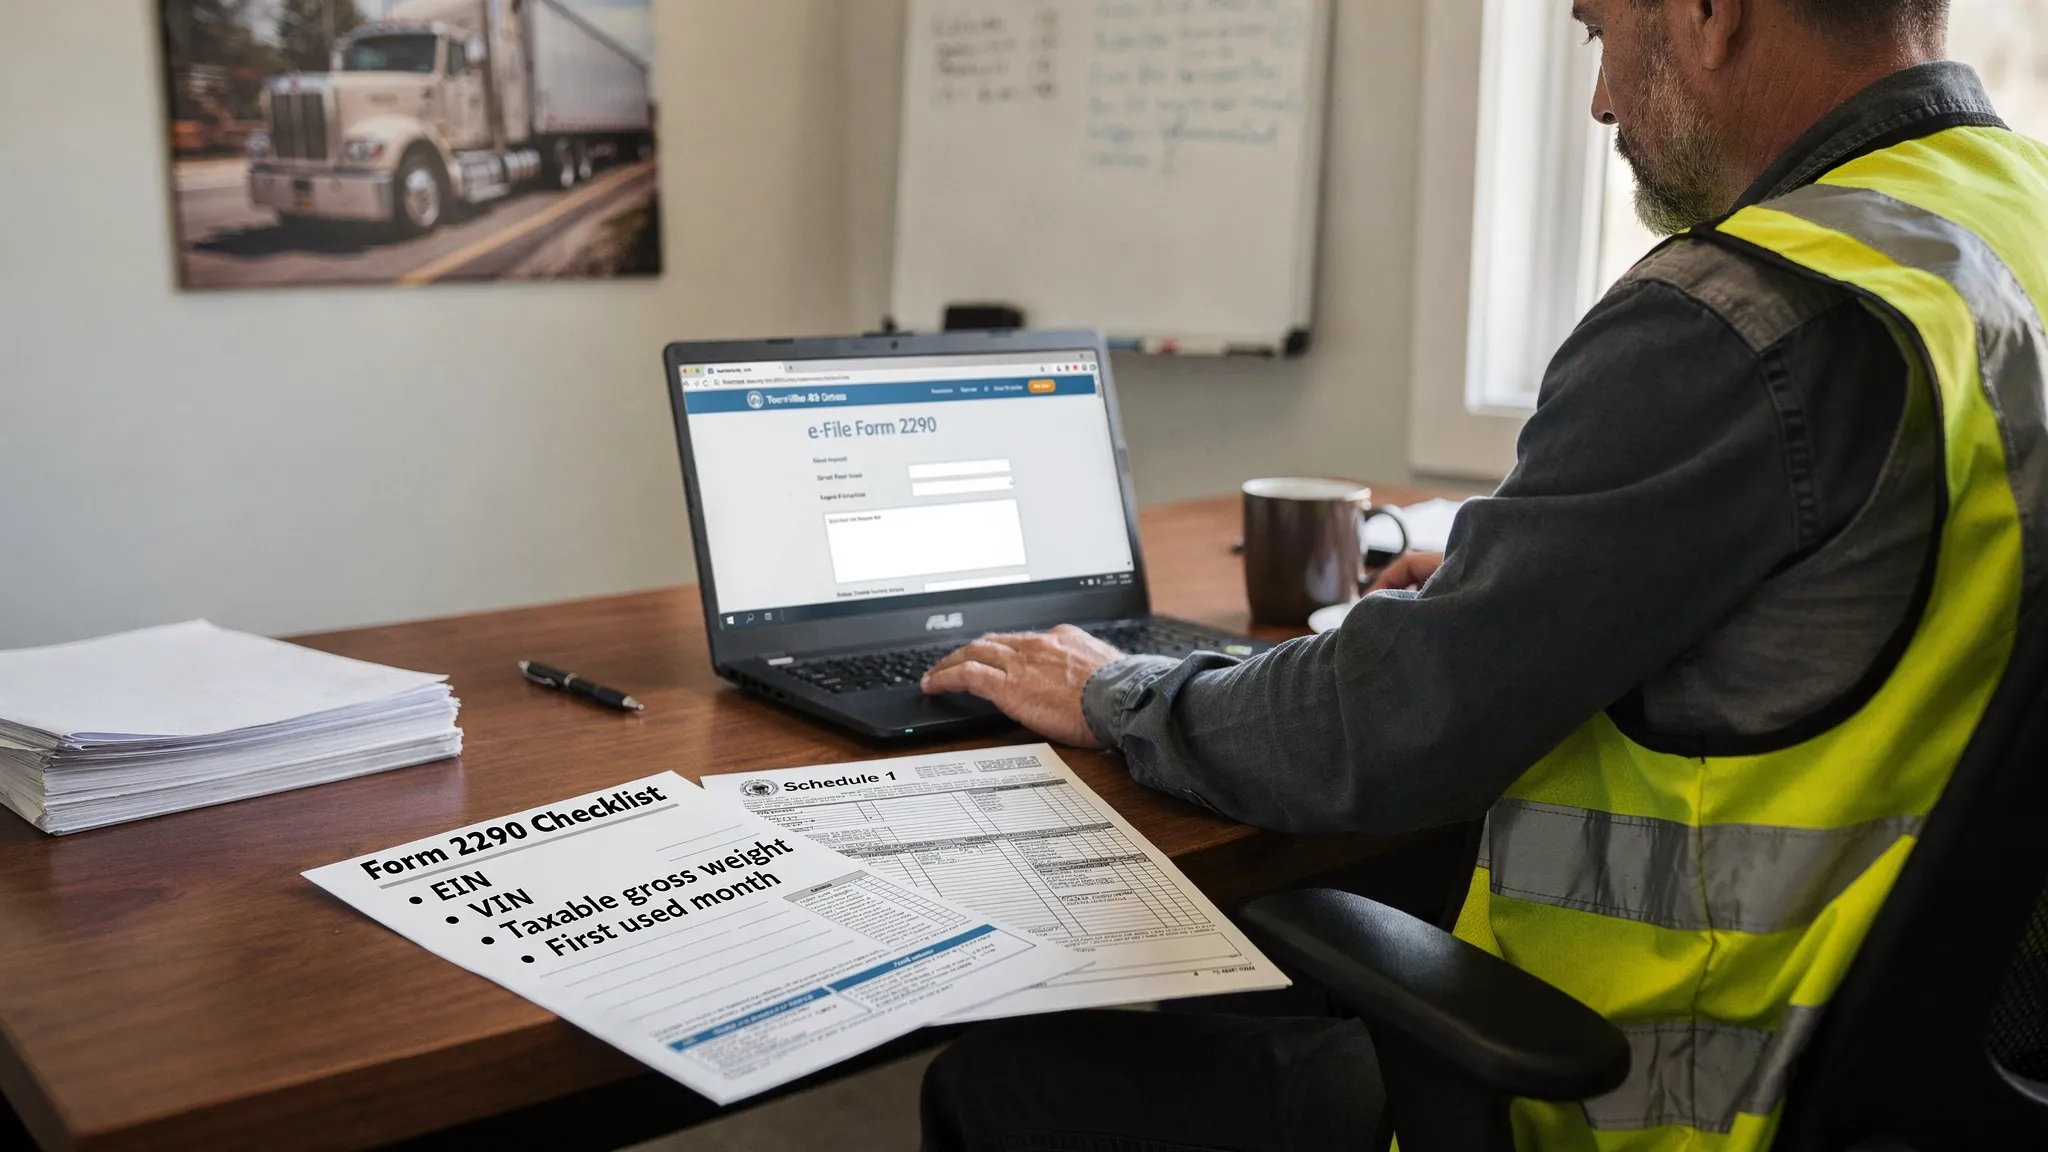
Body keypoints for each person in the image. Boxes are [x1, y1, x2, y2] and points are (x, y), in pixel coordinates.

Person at [915, 0, 2048, 1148]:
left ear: (1708, 16)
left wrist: (1115, 690)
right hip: (1935, 1082)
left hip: (1664, 1093)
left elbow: (1375, 732)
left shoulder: (1742, 315)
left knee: (1006, 1081)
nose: (1600, 96)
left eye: (1600, 32)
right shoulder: (2010, 226)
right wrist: (1531, 573)